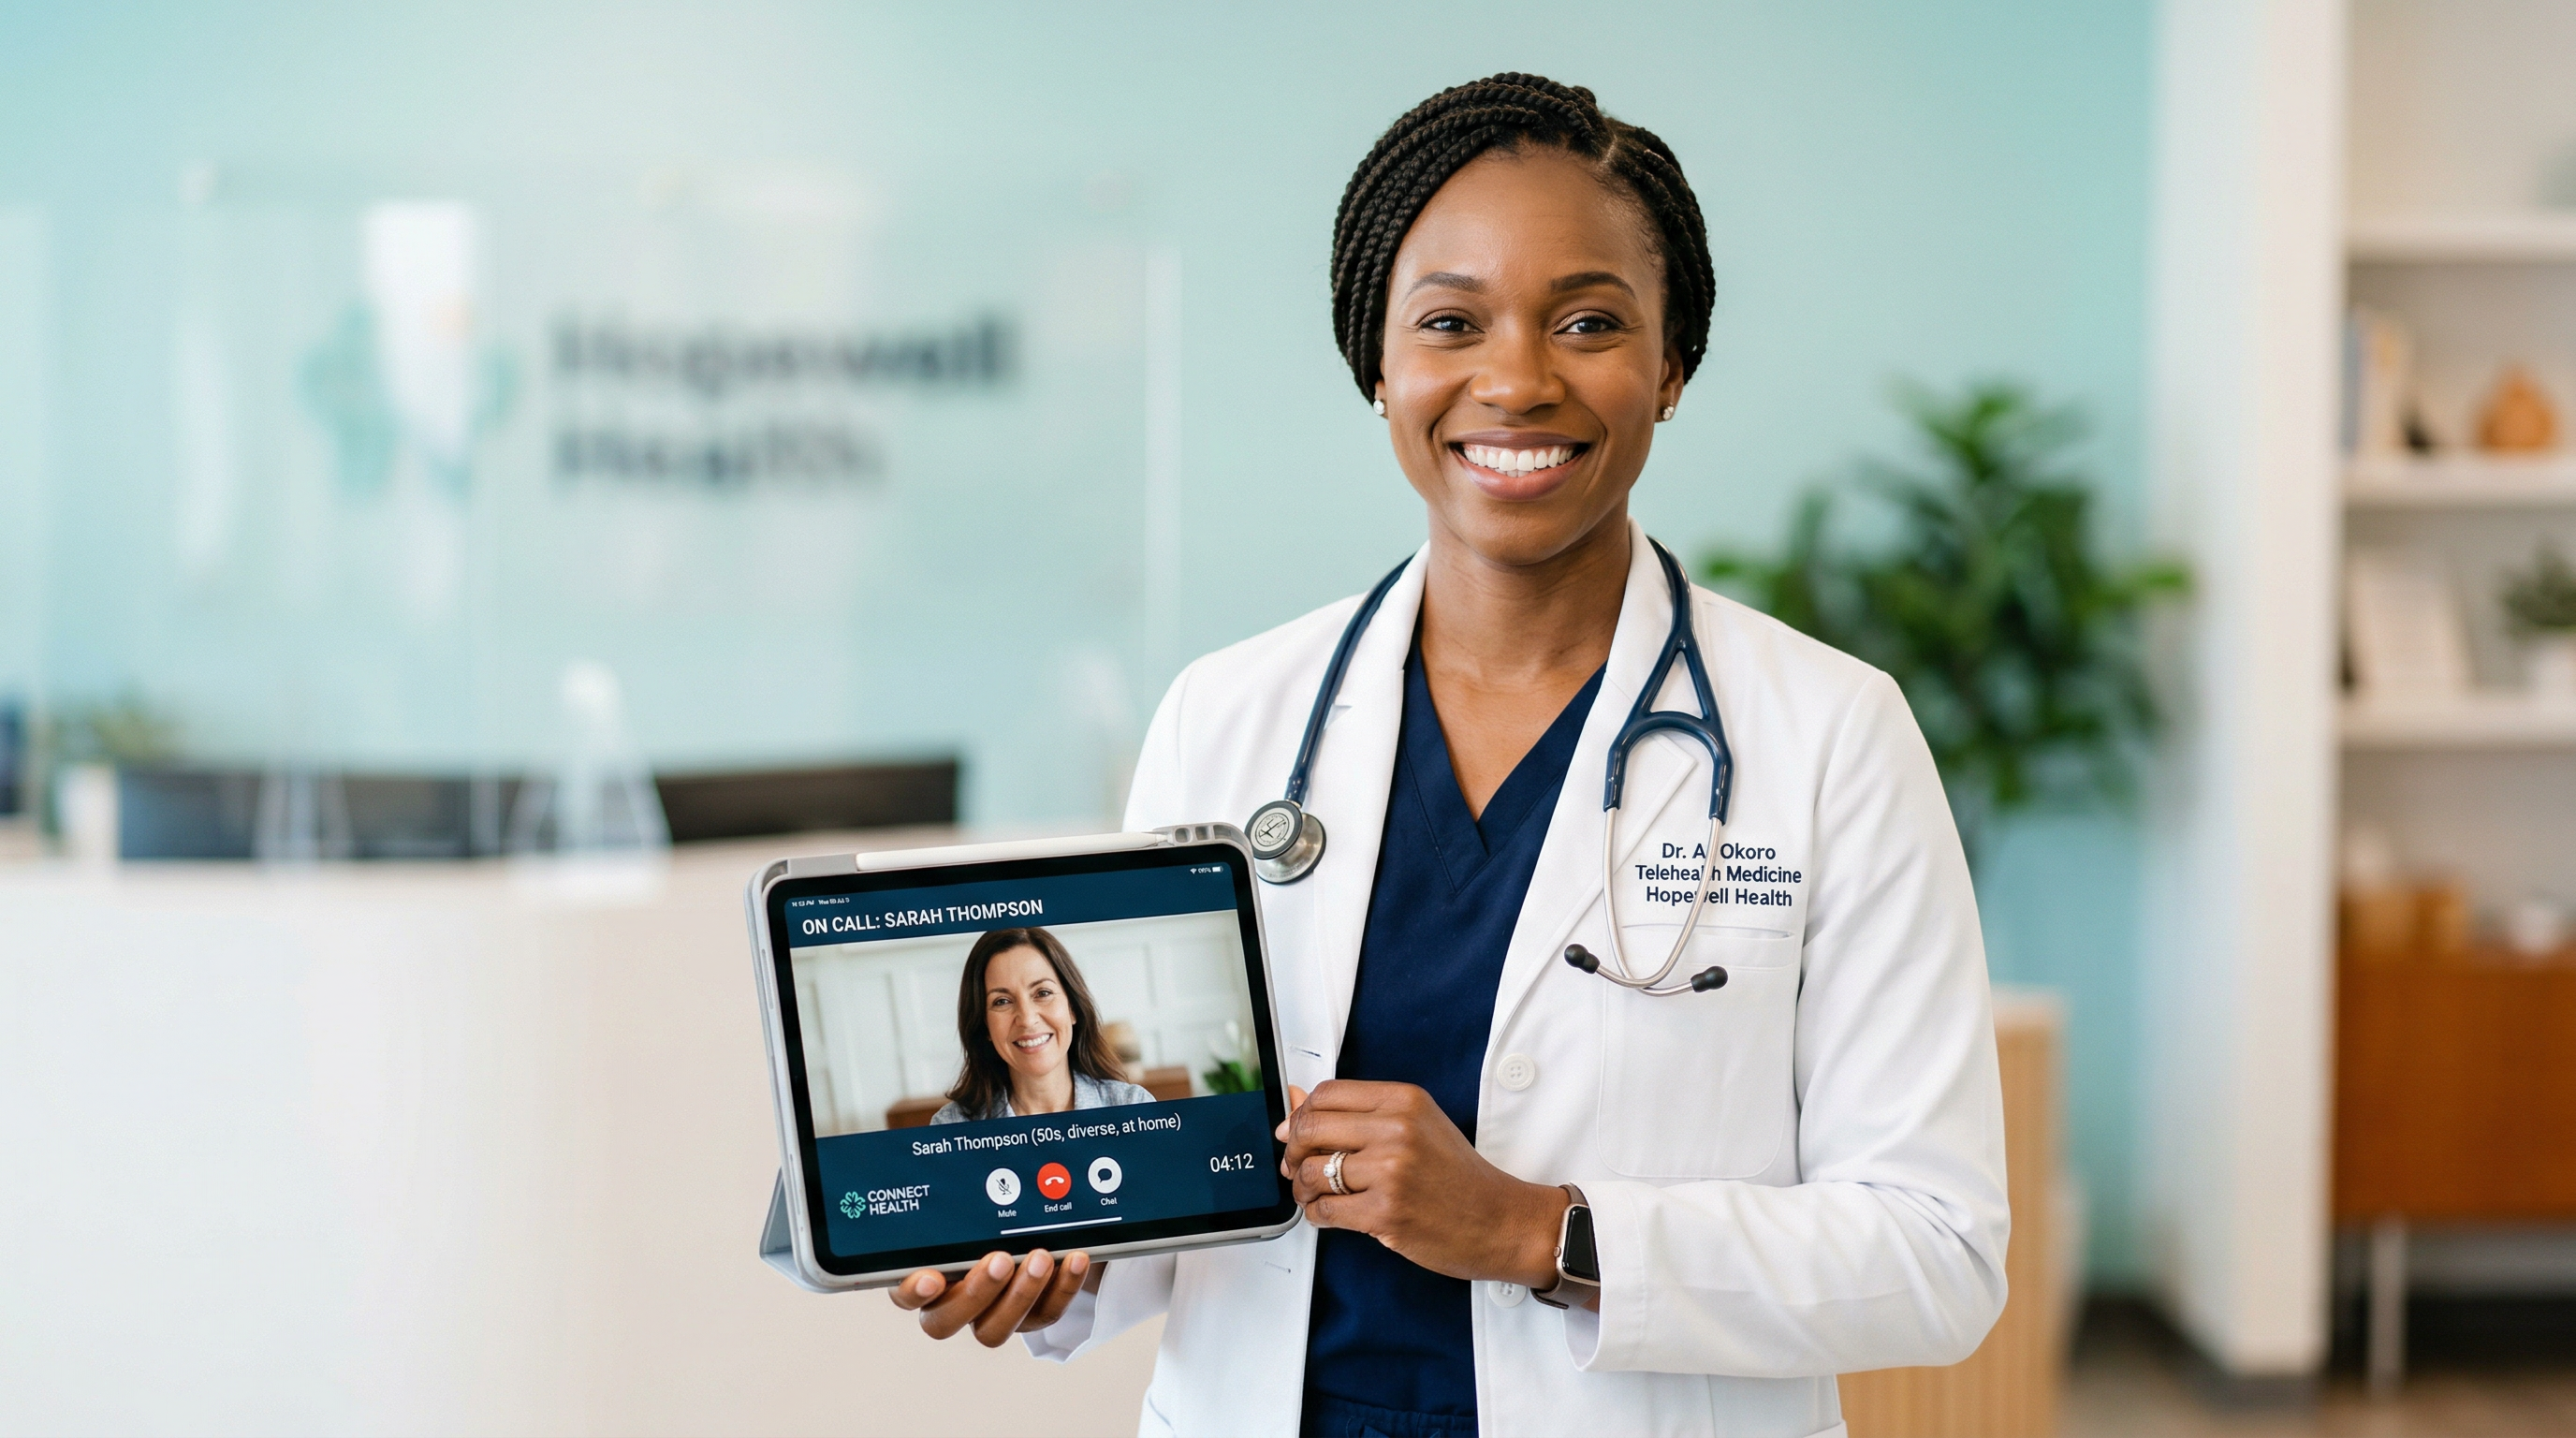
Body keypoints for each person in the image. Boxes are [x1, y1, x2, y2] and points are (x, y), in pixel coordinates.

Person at [890, 73, 2008, 1438]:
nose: (1519, 377)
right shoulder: (1227, 717)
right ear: (1379, 365)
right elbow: (1172, 1200)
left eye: (1589, 321)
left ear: (1672, 363)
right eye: (1451, 323)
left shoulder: (1828, 734)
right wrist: (1046, 1272)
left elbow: (1937, 1253)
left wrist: (1542, 1231)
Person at [929, 927, 1153, 1124]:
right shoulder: (952, 1126)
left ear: (1072, 1008)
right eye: (1002, 1001)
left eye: (1043, 993)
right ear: (984, 1025)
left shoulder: (1133, 1108)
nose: (1027, 1019)